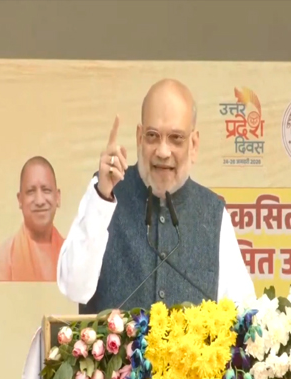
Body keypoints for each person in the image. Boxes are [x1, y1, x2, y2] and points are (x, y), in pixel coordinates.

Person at [56, 78, 256, 314]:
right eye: (153, 136)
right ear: (139, 138)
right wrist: (102, 197)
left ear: (193, 145)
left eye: (176, 138)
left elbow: (245, 313)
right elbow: (73, 287)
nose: (163, 151)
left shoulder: (213, 213)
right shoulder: (105, 193)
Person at [0, 156, 64, 281]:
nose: (40, 201)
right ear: (20, 200)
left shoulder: (73, 256)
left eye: (46, 190)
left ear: (57, 197)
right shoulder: (4, 258)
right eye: (31, 191)